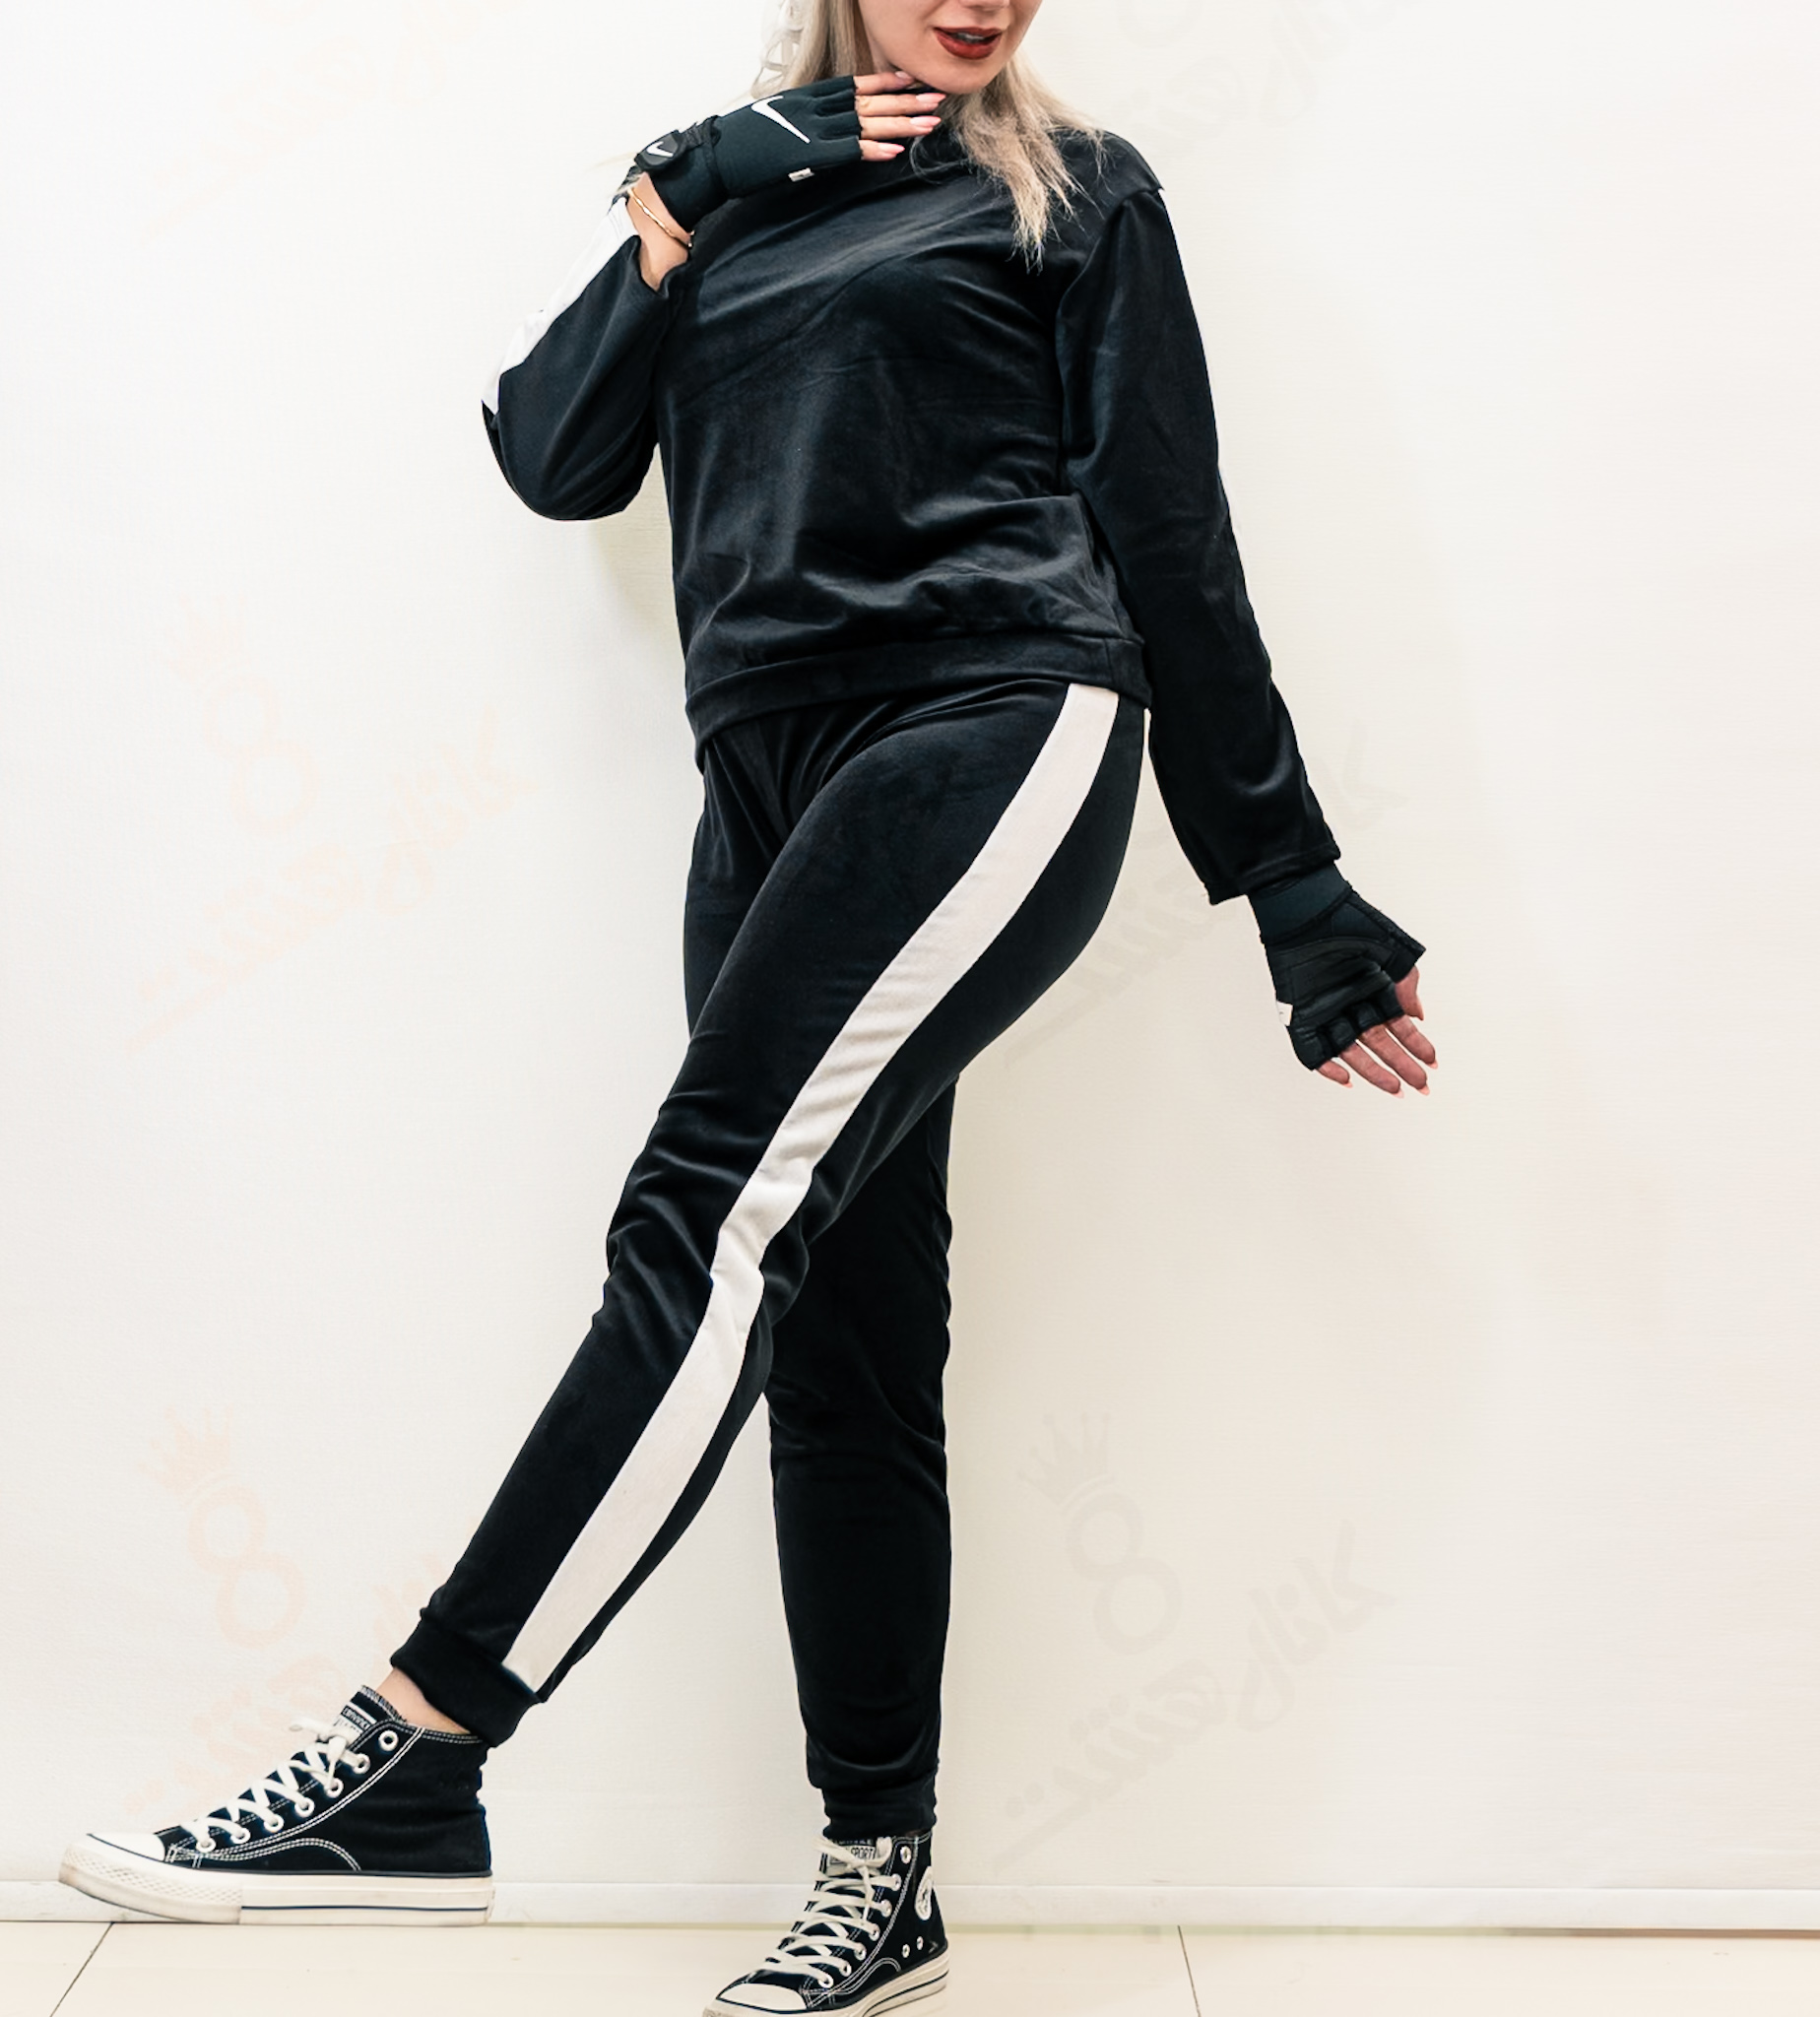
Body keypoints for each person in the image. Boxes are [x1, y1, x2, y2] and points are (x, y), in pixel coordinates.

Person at [60, 0, 1435, 2009]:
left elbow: (1169, 526)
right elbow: (554, 453)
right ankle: (883, 1879)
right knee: (838, 1326)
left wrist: (1289, 883)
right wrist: (683, 193)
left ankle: (422, 1743)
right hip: (768, 784)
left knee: (698, 1221)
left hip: (991, 715)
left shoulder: (1072, 189)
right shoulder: (733, 188)